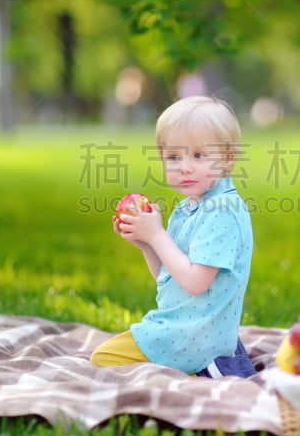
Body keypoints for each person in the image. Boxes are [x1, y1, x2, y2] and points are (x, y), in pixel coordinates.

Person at [90, 95, 255, 378]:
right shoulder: (190, 207)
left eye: (199, 156)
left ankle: (203, 370)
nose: (185, 167)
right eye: (174, 157)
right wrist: (146, 245)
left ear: (227, 159)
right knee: (108, 356)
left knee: (102, 359)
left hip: (191, 338)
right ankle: (199, 368)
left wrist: (157, 236)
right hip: (187, 328)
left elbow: (195, 283)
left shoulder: (221, 211)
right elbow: (172, 280)